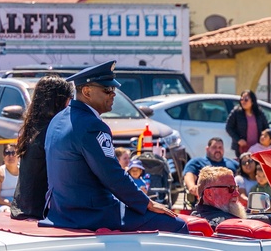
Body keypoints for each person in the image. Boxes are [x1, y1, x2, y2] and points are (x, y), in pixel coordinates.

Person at [43, 61, 187, 233]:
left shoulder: (58, 119)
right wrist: (146, 202)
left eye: (114, 90)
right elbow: (112, 175)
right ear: (87, 91)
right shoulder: (92, 125)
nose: (113, 95)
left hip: (60, 212)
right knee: (177, 225)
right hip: (90, 214)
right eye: (107, 90)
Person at [12, 74, 73, 220]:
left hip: (23, 207)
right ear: (58, 100)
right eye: (69, 98)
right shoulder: (52, 131)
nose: (70, 103)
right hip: (39, 212)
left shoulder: (34, 127)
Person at [183, 137, 240, 203]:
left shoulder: (232, 164)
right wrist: (193, 187)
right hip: (205, 201)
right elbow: (190, 179)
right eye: (214, 147)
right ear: (207, 149)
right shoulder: (197, 162)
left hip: (230, 201)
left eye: (220, 147)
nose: (217, 150)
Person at [225, 90, 270, 155]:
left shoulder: (259, 113)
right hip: (242, 148)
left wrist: (264, 139)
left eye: (246, 100)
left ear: (252, 101)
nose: (243, 102)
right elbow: (228, 127)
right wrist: (238, 140)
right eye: (241, 99)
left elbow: (266, 128)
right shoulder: (237, 112)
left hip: (257, 148)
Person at [0, 143, 20, 213]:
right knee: (8, 211)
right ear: (3, 156)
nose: (10, 156)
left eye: (13, 153)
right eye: (7, 153)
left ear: (18, 155)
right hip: (1, 205)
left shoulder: (24, 171)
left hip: (19, 204)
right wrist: (8, 203)